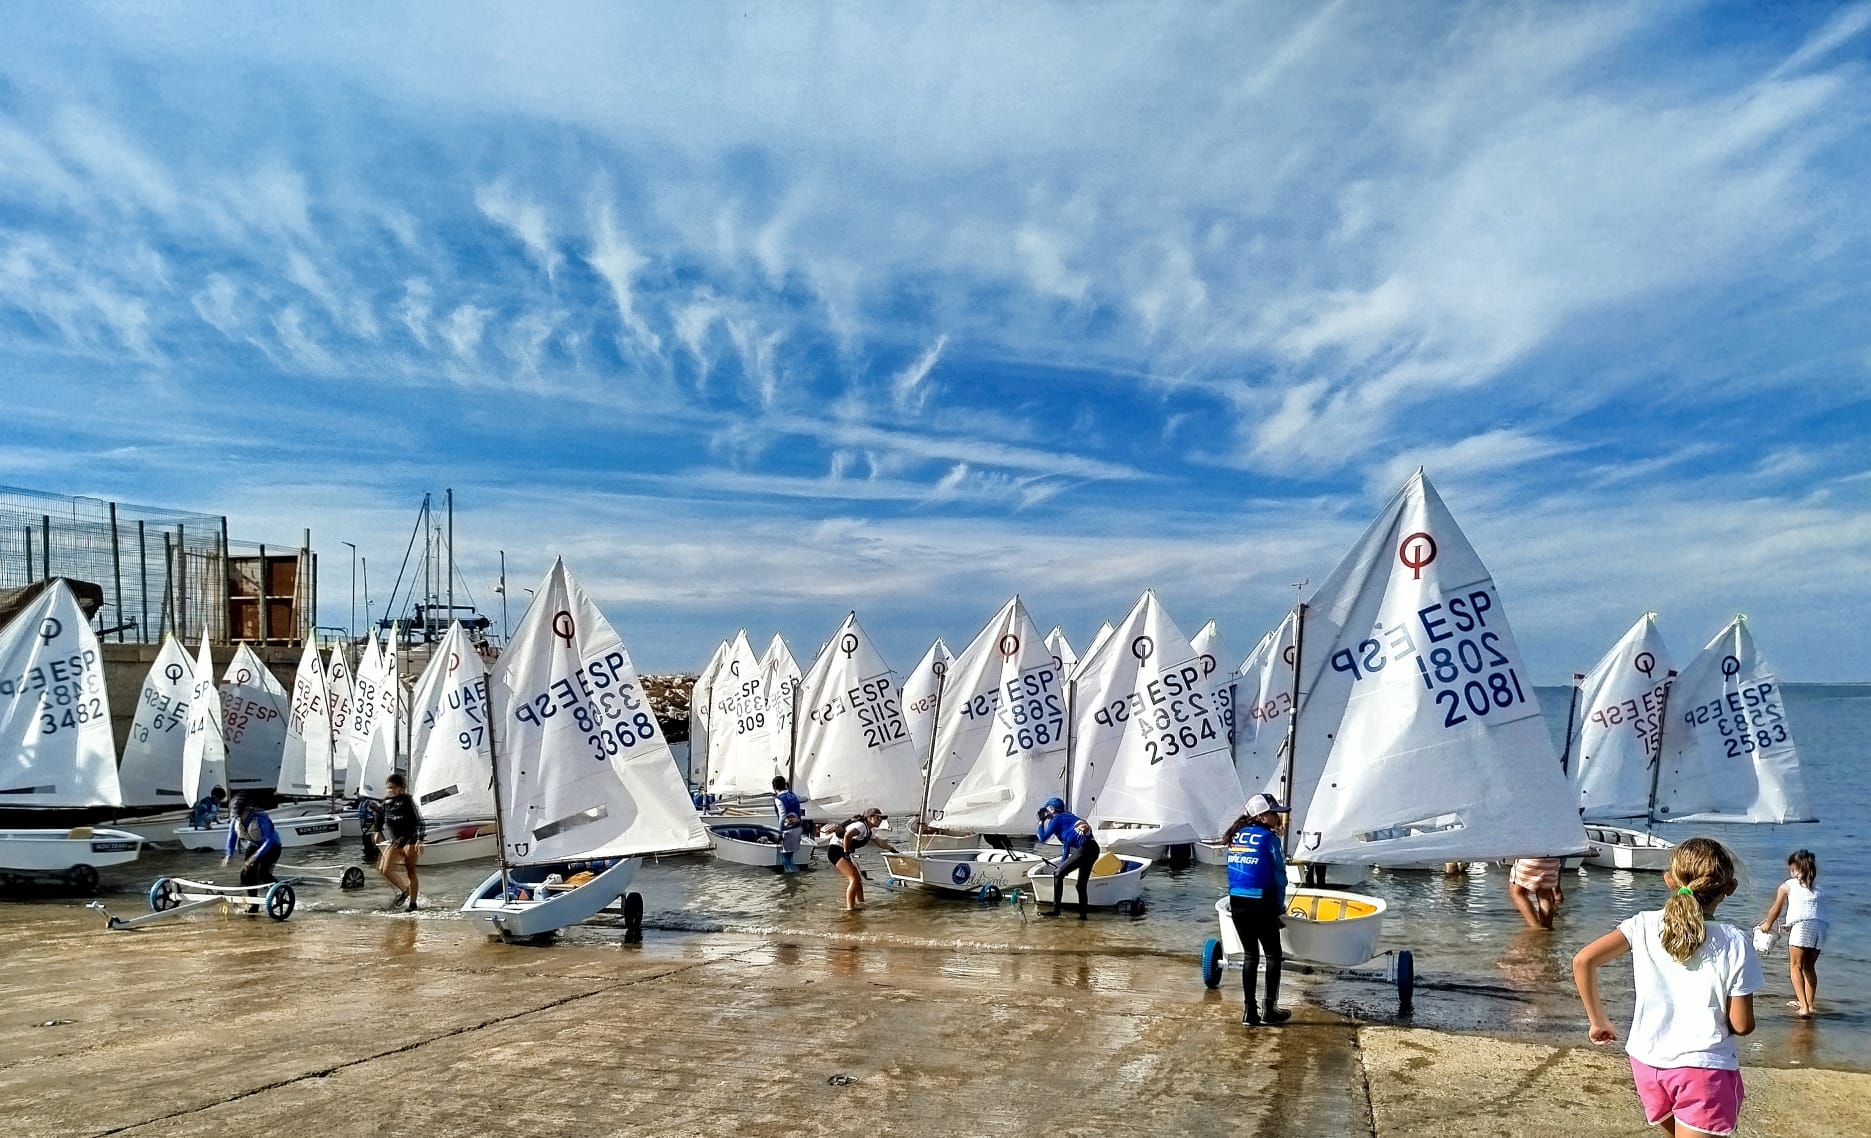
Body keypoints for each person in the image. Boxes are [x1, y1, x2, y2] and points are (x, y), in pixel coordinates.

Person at [1573, 837, 1760, 1138]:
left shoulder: (1642, 925)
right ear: (1730, 888)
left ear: (1669, 880)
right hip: (1703, 1068)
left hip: (1646, 1063)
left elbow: (1583, 961)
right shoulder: (1734, 942)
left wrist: (1598, 1022)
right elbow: (1741, 1024)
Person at [1225, 793, 1292, 1027]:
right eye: (1275, 813)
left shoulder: (1236, 835)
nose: (1278, 818)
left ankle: (1249, 1012)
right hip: (1261, 901)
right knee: (1274, 955)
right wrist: (1279, 907)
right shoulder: (1269, 839)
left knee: (1250, 956)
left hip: (1237, 902)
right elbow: (1279, 877)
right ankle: (1270, 1009)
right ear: (1262, 816)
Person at [1757, 849, 1826, 1018]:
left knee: (1795, 966)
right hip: (1821, 928)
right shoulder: (1818, 888)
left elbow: (1776, 909)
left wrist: (1767, 924)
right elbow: (1810, 911)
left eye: (1791, 868)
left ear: (1795, 868)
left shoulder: (1787, 886)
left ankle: (1803, 1007)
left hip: (1802, 928)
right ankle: (1809, 1004)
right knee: (1809, 967)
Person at [1035, 797, 1098, 920]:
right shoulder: (1069, 817)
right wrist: (1063, 865)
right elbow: (1066, 845)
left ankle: (1056, 911)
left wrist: (1041, 822)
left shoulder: (1057, 819)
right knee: (1080, 885)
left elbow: (1042, 838)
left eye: (1047, 811)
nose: (1046, 814)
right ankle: (1083, 917)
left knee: (1058, 874)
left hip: (1085, 849)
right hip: (1094, 849)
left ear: (1051, 809)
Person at [822, 808, 895, 911]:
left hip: (844, 852)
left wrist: (893, 850)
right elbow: (848, 835)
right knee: (854, 879)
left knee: (858, 880)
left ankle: (861, 904)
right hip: (836, 851)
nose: (881, 820)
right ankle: (850, 909)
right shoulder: (861, 826)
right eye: (878, 817)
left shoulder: (869, 831)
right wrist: (847, 853)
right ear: (870, 817)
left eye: (882, 818)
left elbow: (881, 843)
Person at [376, 772, 425, 912]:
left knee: (411, 872)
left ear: (400, 788)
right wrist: (377, 831)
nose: (390, 790)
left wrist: (420, 840)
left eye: (393, 787)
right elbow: (379, 817)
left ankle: (413, 904)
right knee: (385, 870)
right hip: (396, 841)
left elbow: (419, 822)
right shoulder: (385, 802)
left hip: (410, 839)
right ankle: (405, 890)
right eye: (388, 788)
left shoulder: (407, 800)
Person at [222, 794, 282, 887]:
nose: (240, 817)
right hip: (254, 845)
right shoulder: (236, 819)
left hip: (272, 847)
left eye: (241, 814)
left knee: (263, 873)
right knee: (247, 875)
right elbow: (232, 836)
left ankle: (280, 891)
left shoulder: (261, 818)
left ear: (247, 809)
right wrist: (229, 855)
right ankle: (253, 900)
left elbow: (269, 841)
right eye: (238, 815)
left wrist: (255, 857)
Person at [1509, 856, 1564, 929]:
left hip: (1531, 857)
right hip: (1552, 860)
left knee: (1517, 892)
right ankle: (1547, 926)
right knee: (1545, 894)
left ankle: (1536, 927)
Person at [772, 775, 805, 874]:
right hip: (798, 829)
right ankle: (796, 879)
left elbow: (782, 816)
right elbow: (804, 799)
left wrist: (780, 831)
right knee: (790, 857)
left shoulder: (779, 799)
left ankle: (792, 880)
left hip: (788, 830)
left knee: (786, 859)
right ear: (786, 785)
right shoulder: (793, 796)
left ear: (774, 787)